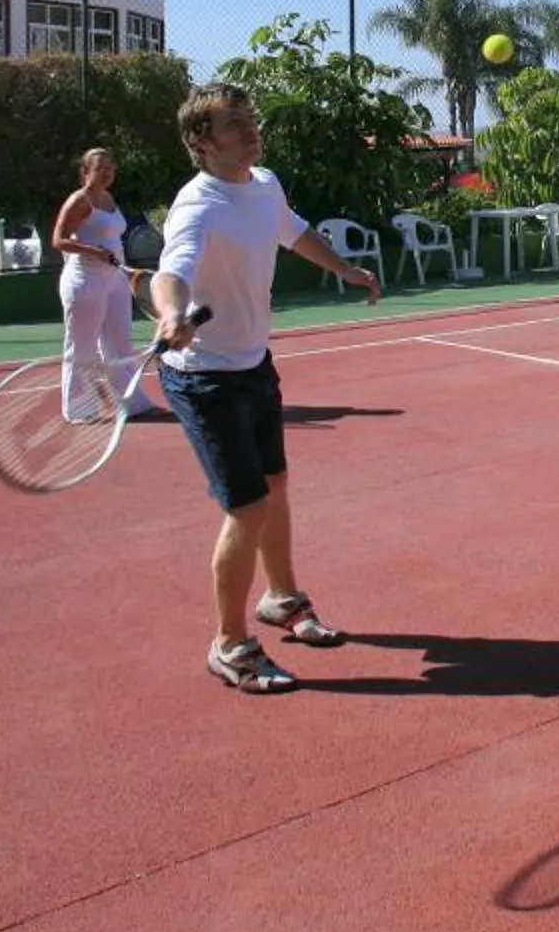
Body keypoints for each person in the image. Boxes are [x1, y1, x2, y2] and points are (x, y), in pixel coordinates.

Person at [149, 83, 385, 695]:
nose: (251, 129)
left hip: (253, 363)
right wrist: (171, 314)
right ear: (201, 141)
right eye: (235, 123)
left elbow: (295, 233)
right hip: (203, 378)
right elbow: (170, 272)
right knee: (248, 505)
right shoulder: (197, 205)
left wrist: (344, 269)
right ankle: (229, 645)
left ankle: (280, 598)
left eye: (250, 118)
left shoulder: (264, 185)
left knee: (275, 487)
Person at [50, 148, 144, 422]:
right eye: (100, 167)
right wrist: (93, 251)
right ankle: (79, 409)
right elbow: (58, 240)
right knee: (82, 347)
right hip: (84, 281)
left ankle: (131, 402)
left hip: (114, 280)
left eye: (110, 167)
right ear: (85, 172)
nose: (107, 172)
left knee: (120, 342)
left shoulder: (109, 198)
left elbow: (113, 236)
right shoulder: (79, 201)